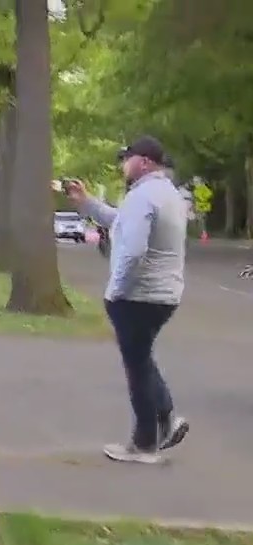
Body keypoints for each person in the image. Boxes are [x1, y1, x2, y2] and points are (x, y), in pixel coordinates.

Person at [65, 136, 189, 464]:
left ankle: (144, 444)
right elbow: (119, 222)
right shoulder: (167, 194)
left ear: (144, 162)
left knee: (136, 367)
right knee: (142, 358)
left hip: (138, 296)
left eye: (126, 158)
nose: (123, 165)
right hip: (164, 295)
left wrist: (115, 290)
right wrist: (87, 202)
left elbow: (133, 251)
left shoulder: (143, 196)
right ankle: (167, 417)